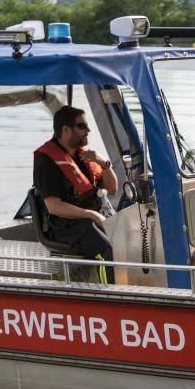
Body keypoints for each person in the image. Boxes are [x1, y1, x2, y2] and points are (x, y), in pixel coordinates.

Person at [33, 105, 118, 283]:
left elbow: (112, 189)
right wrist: (91, 214)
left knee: (130, 241)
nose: (88, 130)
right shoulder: (46, 161)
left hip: (91, 219)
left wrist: (104, 164)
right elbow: (53, 206)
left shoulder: (84, 156)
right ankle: (111, 294)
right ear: (65, 130)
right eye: (82, 126)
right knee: (107, 250)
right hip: (64, 226)